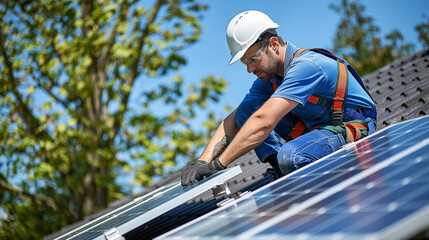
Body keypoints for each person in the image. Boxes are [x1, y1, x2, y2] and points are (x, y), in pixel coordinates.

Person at [181, 10, 377, 186]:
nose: (250, 69)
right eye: (244, 63)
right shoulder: (272, 78)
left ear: (274, 45)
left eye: (252, 59)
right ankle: (281, 170)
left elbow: (263, 121)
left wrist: (218, 164)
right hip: (318, 130)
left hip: (352, 127)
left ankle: (289, 165)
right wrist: (203, 161)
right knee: (247, 110)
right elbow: (235, 118)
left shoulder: (307, 66)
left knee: (291, 155)